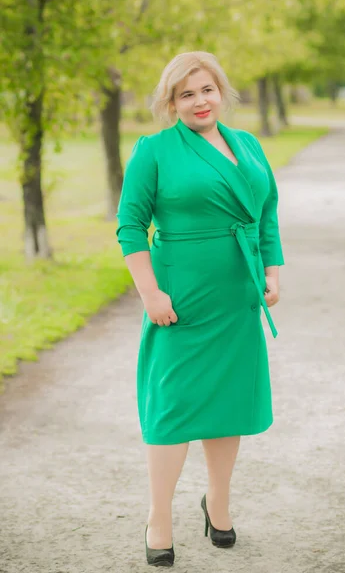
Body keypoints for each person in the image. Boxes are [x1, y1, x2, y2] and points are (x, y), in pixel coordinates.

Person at [116, 51, 284, 567]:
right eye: (185, 94)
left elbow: (266, 212)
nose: (199, 101)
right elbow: (129, 226)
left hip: (237, 296)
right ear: (171, 103)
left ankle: (220, 505)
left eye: (206, 89)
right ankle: (158, 516)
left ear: (222, 92)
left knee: (226, 403)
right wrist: (149, 293)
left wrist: (272, 270)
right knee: (172, 408)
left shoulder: (248, 144)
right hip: (180, 300)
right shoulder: (155, 151)